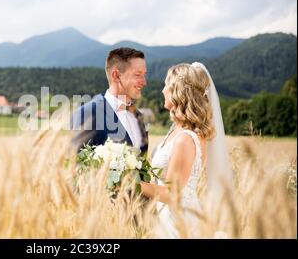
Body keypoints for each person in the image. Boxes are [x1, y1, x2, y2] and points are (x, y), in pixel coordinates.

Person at [140, 62, 232, 238]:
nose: (162, 90)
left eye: (166, 85)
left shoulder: (185, 139)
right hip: (166, 215)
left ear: (178, 92)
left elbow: (171, 194)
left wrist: (132, 184)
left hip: (178, 221)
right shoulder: (178, 130)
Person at [71, 47, 149, 155]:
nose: (144, 82)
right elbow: (73, 165)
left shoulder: (139, 117)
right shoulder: (88, 113)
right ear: (116, 76)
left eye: (144, 75)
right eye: (137, 75)